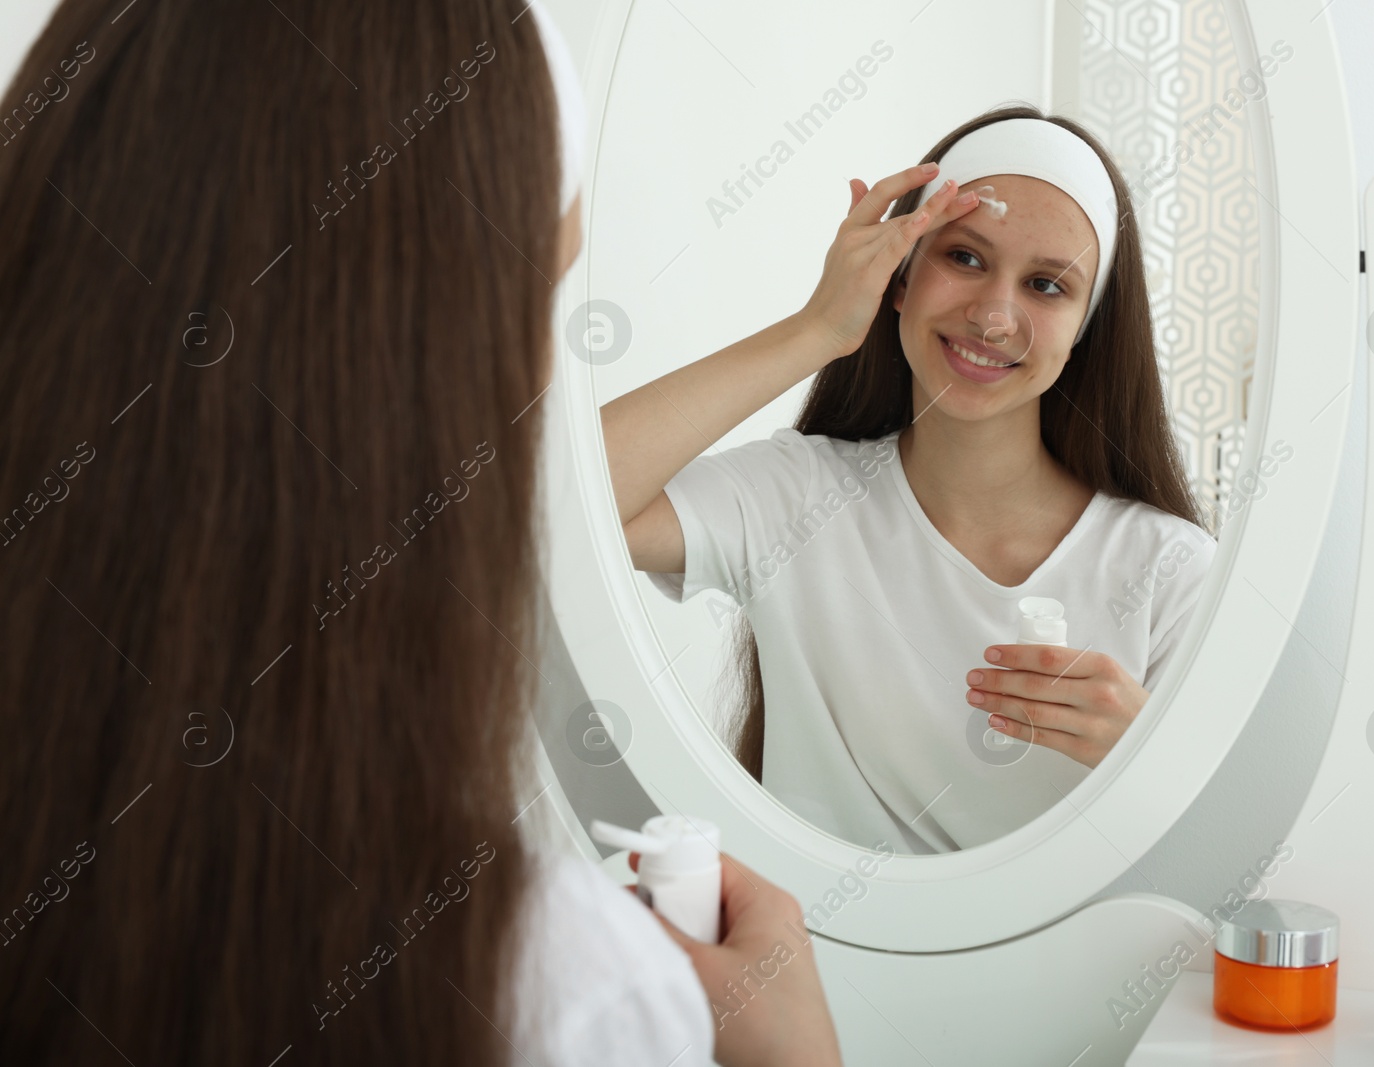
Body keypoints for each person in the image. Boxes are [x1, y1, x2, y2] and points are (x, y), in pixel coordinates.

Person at [0, 1, 840, 1064]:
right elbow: (591, 504)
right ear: (419, 361)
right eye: (537, 297)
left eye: (1047, 283)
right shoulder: (558, 990)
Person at [607, 107, 1217, 855]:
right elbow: (547, 502)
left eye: (1047, 286)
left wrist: (1150, 752)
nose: (994, 315)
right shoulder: (794, 499)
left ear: (1086, 328)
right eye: (964, 257)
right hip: (804, 971)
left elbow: (1219, 869)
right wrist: (817, 329)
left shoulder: (1171, 570)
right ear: (898, 276)